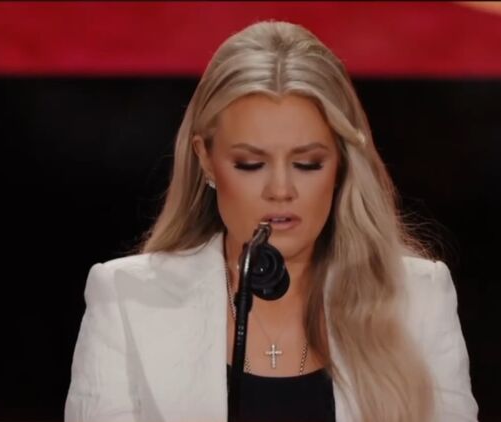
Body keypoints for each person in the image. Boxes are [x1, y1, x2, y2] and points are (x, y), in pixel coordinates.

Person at [65, 20, 477, 422]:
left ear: (342, 164)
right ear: (205, 159)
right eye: (250, 164)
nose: (281, 189)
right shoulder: (127, 300)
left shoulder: (419, 301)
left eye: (307, 163)